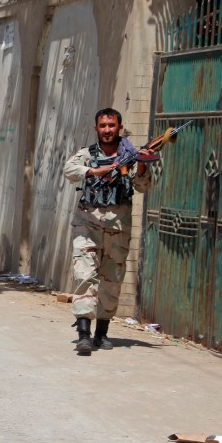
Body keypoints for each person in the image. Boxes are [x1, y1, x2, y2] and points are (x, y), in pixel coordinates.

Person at [64, 108, 151, 356]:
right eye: (102, 125)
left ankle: (101, 334)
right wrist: (93, 171)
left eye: (111, 125)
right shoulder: (87, 155)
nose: (107, 130)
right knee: (84, 276)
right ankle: (83, 334)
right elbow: (69, 171)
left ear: (119, 128)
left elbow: (143, 186)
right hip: (87, 225)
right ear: (96, 129)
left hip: (118, 227)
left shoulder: (131, 156)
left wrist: (143, 165)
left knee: (111, 282)